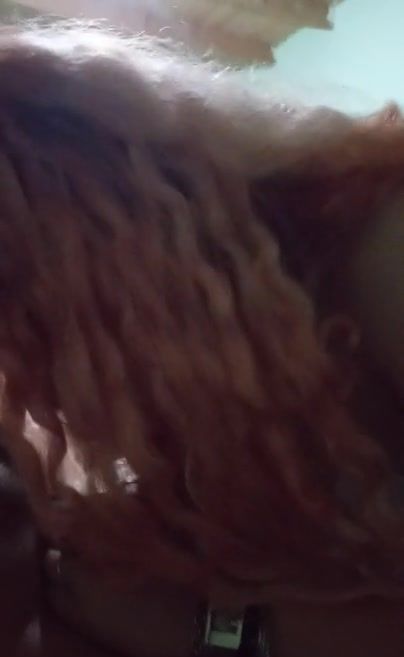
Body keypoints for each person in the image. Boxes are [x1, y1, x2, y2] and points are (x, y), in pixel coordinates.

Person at [0, 22, 404, 656]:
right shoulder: (193, 369)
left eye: (25, 327)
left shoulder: (382, 248)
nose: (34, 377)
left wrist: (216, 630)